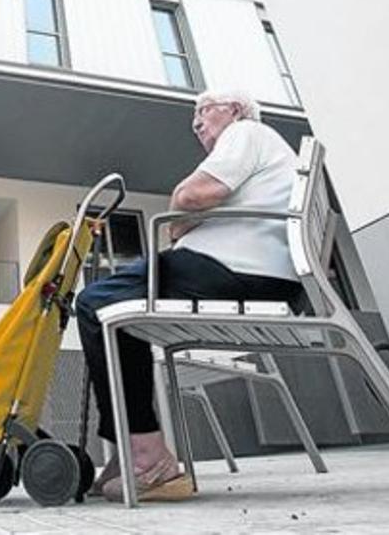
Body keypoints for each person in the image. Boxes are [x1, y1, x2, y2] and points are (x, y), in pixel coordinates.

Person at [75, 90, 303, 502]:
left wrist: (180, 218)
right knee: (112, 309)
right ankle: (134, 449)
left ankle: (147, 458)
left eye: (204, 111)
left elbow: (192, 197)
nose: (196, 122)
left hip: (234, 270)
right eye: (194, 116)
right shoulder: (264, 147)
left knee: (95, 302)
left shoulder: (246, 130)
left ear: (233, 110)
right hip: (255, 272)